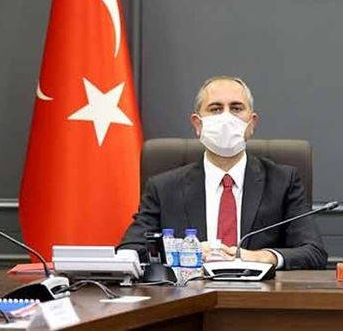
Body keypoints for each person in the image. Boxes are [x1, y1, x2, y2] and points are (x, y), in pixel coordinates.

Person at [121, 76, 327, 269]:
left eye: (236, 108)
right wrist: (185, 251)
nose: (226, 117)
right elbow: (129, 251)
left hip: (260, 292)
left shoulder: (283, 182)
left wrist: (262, 256)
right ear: (197, 124)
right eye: (216, 109)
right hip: (190, 293)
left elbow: (314, 252)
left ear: (252, 123)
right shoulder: (164, 188)